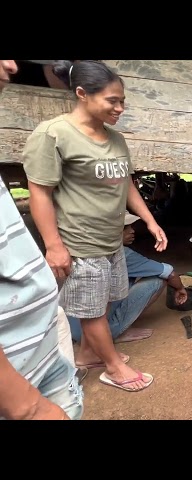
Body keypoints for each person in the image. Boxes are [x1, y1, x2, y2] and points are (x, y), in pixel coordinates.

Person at [23, 60, 166, 392]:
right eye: (112, 101)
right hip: (79, 242)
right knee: (91, 311)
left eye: (122, 101)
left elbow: (126, 184)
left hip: (110, 241)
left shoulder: (114, 138)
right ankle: (113, 367)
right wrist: (54, 246)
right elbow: (39, 193)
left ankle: (89, 353)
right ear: (82, 94)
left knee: (104, 301)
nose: (120, 108)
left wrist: (150, 220)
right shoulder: (54, 134)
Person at [0, 59, 83, 420]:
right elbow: (41, 190)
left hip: (42, 347)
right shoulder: (52, 134)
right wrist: (27, 404)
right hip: (16, 385)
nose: (13, 65)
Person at [67, 211, 188, 349]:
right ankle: (116, 330)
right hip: (95, 335)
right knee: (158, 280)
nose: (132, 231)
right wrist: (180, 289)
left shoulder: (83, 247)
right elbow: (170, 273)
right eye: (125, 227)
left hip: (71, 327)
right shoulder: (121, 254)